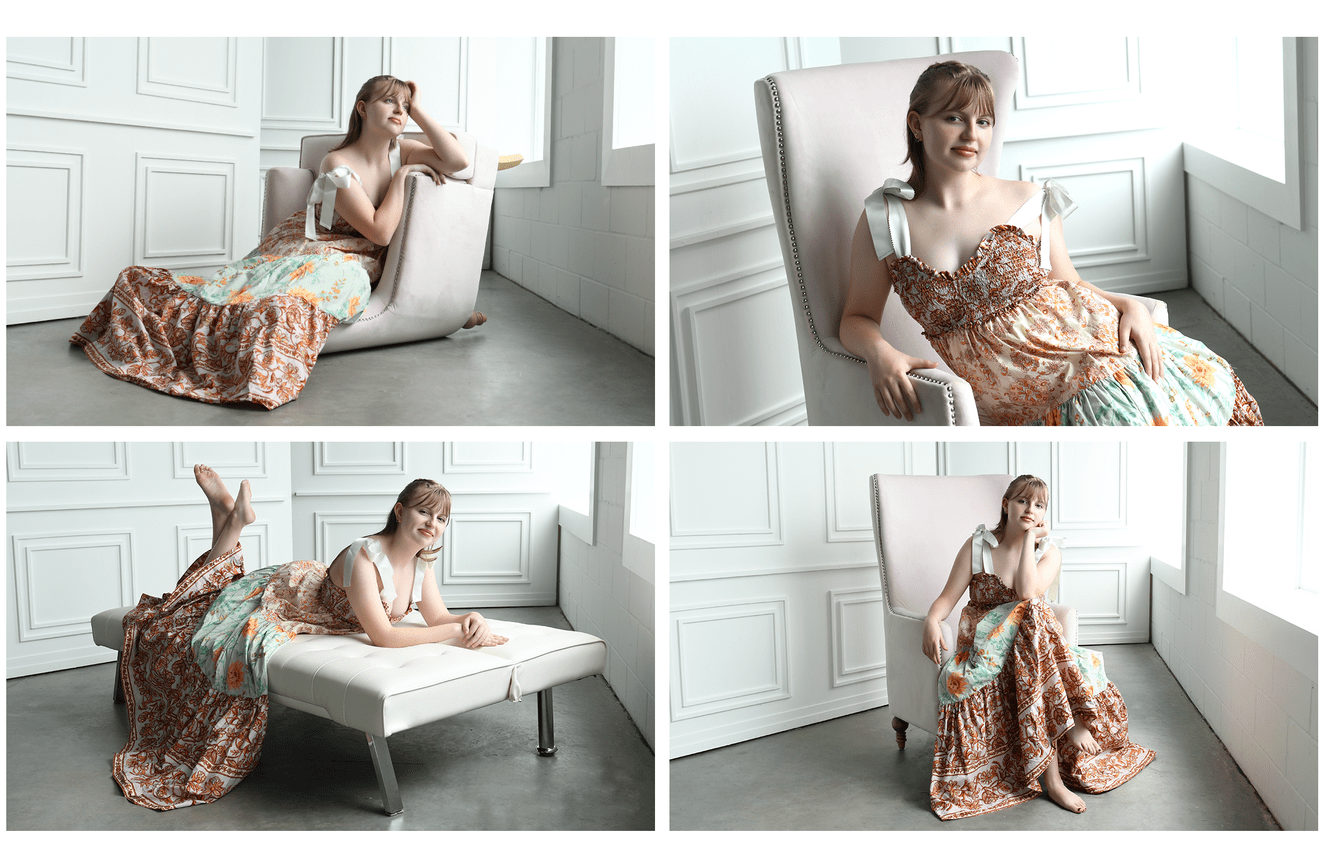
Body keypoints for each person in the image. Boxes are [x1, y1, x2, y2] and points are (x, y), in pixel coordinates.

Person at [840, 61, 1263, 426]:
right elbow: (856, 317)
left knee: (1147, 411)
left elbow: (1069, 286)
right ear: (917, 123)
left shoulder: (1028, 199)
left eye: (984, 122)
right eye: (954, 117)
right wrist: (880, 353)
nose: (972, 134)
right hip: (1022, 397)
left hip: (1091, 355)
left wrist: (1128, 304)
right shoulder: (886, 217)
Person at [72, 75, 487, 410]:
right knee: (230, 295)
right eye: (389, 102)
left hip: (351, 259)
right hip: (312, 243)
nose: (399, 111)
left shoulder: (406, 151)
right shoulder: (337, 163)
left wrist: (418, 107)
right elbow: (379, 231)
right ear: (362, 108)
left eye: (405, 106)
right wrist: (402, 180)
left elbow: (458, 162)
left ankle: (447, 316)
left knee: (281, 308)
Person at [112, 468, 505, 810]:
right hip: (292, 594)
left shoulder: (422, 560)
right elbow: (384, 636)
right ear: (400, 511)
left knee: (206, 595)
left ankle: (228, 516)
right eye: (424, 511)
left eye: (441, 518)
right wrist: (454, 632)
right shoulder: (365, 555)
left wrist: (468, 619)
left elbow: (436, 616)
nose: (432, 524)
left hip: (325, 610)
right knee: (188, 611)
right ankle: (230, 519)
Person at [922, 475, 1154, 820]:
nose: (1030, 509)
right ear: (1006, 504)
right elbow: (947, 599)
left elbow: (1029, 591)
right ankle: (1065, 733)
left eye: (1039, 505)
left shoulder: (1049, 552)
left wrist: (1030, 538)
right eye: (1022, 501)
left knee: (1031, 610)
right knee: (1031, 610)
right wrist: (931, 620)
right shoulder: (978, 547)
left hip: (1030, 650)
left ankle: (1057, 773)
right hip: (987, 645)